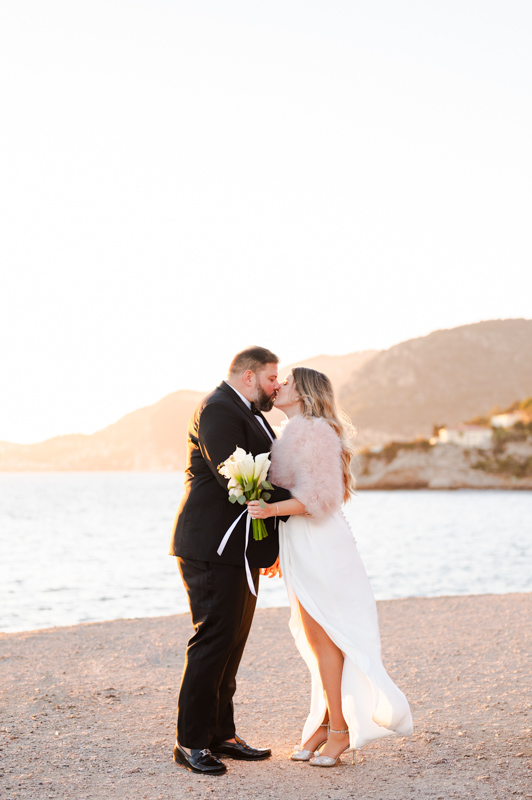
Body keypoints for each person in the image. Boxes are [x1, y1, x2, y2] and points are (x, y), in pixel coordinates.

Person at [247, 367, 413, 768]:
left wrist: (269, 509)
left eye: (285, 381)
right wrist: (275, 549)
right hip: (299, 543)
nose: (278, 386)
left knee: (327, 639)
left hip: (321, 543)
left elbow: (320, 498)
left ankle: (338, 730)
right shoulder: (290, 433)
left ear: (303, 391)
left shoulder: (317, 432)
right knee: (314, 638)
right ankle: (323, 724)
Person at [169, 346, 292, 775]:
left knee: (232, 643)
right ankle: (190, 743)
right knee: (212, 640)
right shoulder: (219, 410)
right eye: (273, 378)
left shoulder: (249, 411)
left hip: (240, 548)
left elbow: (259, 479)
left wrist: (266, 542)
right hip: (211, 546)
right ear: (249, 376)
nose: (277, 385)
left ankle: (221, 734)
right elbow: (236, 480)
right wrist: (299, 504)